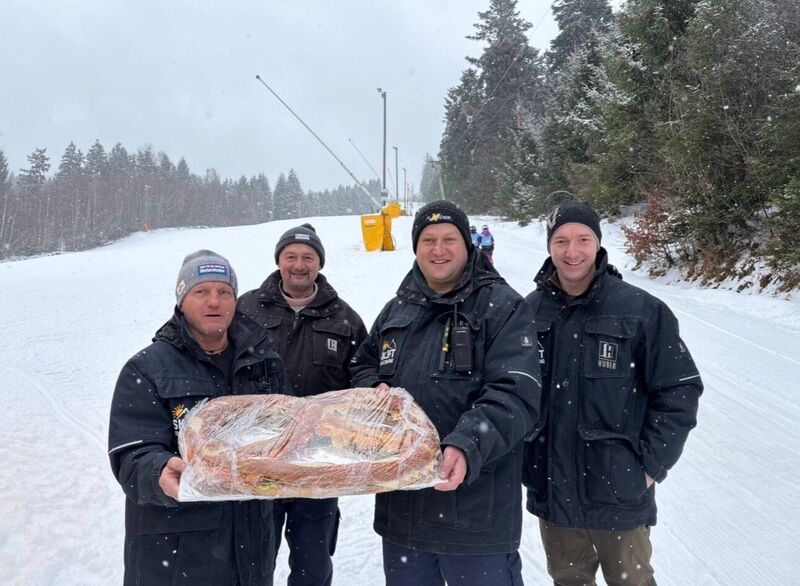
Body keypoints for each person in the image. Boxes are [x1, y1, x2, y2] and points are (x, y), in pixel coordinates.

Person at [350, 200, 542, 586]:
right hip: (403, 516)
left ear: (467, 245)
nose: (438, 249)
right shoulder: (396, 310)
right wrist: (373, 389)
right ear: (416, 248)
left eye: (449, 239)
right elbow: (362, 364)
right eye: (428, 240)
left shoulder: (503, 307)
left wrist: (468, 444)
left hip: (477, 519)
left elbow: (516, 392)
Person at [523, 201, 703, 586]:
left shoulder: (640, 310)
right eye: (561, 241)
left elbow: (679, 390)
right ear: (550, 246)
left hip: (619, 492)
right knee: (569, 581)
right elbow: (513, 391)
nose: (572, 251)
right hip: (553, 493)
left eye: (583, 239)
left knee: (631, 582)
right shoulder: (529, 312)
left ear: (598, 242)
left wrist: (650, 466)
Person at [108, 250, 287, 586]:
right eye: (201, 291)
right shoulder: (147, 368)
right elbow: (131, 455)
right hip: (177, 556)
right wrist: (158, 470)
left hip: (251, 548)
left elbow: (287, 433)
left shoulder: (265, 363)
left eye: (224, 292)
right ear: (182, 300)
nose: (214, 301)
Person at [237, 223, 367, 586]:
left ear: (319, 263)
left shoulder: (344, 318)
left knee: (313, 565)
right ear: (278, 261)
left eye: (308, 257)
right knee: (251, 562)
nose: (299, 265)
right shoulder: (246, 308)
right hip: (259, 459)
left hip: (319, 464)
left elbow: (363, 377)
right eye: (290, 256)